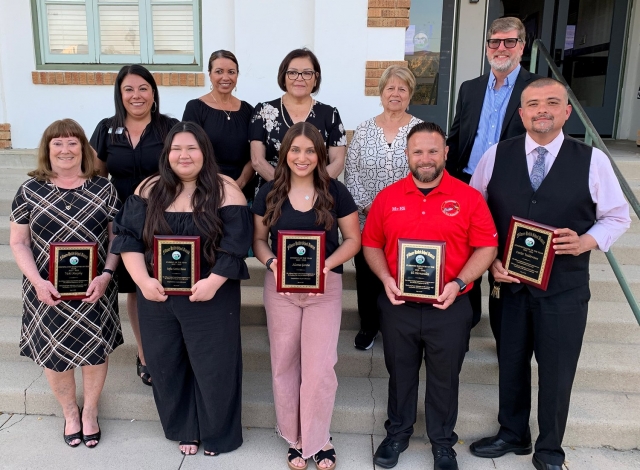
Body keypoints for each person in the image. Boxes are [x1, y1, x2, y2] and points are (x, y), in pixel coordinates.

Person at [468, 78, 630, 470]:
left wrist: (588, 240)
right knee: (511, 360)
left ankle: (550, 449)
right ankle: (513, 432)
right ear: (520, 113)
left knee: (557, 371)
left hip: (564, 288)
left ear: (566, 111)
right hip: (509, 285)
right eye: (533, 104)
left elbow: (618, 216)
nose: (543, 109)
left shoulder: (592, 160)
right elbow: (476, 215)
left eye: (552, 102)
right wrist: (490, 262)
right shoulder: (495, 155)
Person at [363, 122, 498, 470]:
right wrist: (385, 277)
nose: (425, 158)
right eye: (418, 151)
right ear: (408, 155)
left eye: (433, 151)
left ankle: (442, 443)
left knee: (445, 377)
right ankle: (397, 433)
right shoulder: (388, 197)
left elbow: (487, 246)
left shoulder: (468, 197)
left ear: (445, 153)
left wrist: (460, 283)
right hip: (399, 306)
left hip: (450, 306)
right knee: (401, 373)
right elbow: (370, 244)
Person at [111, 122, 251, 457]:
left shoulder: (227, 190)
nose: (183, 155)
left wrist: (213, 282)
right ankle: (184, 427)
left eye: (192, 148)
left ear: (205, 152)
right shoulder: (149, 189)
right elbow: (127, 239)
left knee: (214, 365)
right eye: (176, 149)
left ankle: (217, 434)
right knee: (166, 363)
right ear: (166, 154)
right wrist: (143, 281)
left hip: (211, 295)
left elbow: (235, 245)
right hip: (157, 296)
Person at [252, 122, 360, 470]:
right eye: (295, 150)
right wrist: (271, 263)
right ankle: (293, 437)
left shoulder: (335, 192)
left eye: (310, 151)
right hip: (280, 288)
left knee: (319, 368)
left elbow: (353, 241)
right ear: (284, 153)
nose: (302, 157)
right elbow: (258, 241)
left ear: (320, 154)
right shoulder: (269, 192)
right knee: (284, 363)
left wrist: (325, 265)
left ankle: (318, 439)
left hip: (323, 290)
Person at [10, 119, 122, 448]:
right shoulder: (29, 190)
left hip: (94, 289)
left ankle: (90, 411)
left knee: (94, 352)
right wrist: (37, 282)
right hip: (47, 290)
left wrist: (107, 275)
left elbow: (117, 237)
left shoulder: (104, 188)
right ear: (47, 149)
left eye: (72, 142)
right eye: (57, 143)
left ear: (83, 148)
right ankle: (70, 412)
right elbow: (19, 243)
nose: (65, 149)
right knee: (54, 354)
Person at [445, 17, 541, 332]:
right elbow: (457, 138)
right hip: (467, 186)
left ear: (522, 46)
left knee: (504, 266)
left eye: (509, 41)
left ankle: (506, 336)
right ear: (487, 47)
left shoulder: (537, 89)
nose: (501, 48)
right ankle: (468, 319)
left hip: (511, 192)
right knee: (465, 252)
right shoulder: (469, 88)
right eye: (494, 42)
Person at [90, 64, 179, 386]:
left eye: (143, 88)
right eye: (129, 89)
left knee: (168, 282)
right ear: (120, 94)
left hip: (166, 219)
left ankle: (170, 349)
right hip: (123, 222)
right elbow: (96, 175)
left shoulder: (170, 127)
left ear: (153, 92)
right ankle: (145, 354)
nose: (136, 95)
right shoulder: (106, 128)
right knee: (137, 289)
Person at [345, 64, 422, 351]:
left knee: (404, 272)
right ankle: (369, 325)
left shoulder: (420, 130)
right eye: (390, 87)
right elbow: (351, 173)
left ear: (410, 93)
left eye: (402, 88)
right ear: (381, 93)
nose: (396, 93)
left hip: (409, 220)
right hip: (367, 219)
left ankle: (400, 327)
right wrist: (367, 208)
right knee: (367, 275)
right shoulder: (364, 130)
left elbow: (426, 172)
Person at [249, 48, 347, 193]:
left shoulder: (330, 114)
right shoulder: (263, 111)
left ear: (315, 78)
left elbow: (338, 162)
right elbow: (257, 160)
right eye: (293, 72)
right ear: (283, 76)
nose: (299, 78)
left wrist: (310, 188)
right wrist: (288, 188)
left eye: (307, 73)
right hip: (273, 192)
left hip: (318, 195)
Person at [182, 50, 255, 199]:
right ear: (210, 74)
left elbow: (255, 154)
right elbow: (189, 151)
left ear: (237, 75)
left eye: (231, 72)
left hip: (243, 192)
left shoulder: (248, 110)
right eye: (219, 71)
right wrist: (217, 186)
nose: (225, 77)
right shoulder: (195, 108)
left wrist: (240, 183)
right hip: (206, 192)